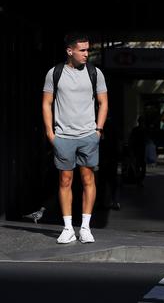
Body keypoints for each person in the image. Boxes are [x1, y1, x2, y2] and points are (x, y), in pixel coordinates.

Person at [42, 33, 108, 244]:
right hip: (63, 136)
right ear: (70, 51)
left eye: (88, 50)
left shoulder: (94, 73)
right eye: (82, 50)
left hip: (88, 135)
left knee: (88, 179)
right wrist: (50, 133)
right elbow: (46, 103)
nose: (86, 54)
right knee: (65, 180)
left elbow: (103, 102)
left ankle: (86, 227)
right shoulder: (55, 73)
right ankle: (68, 227)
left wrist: (98, 130)